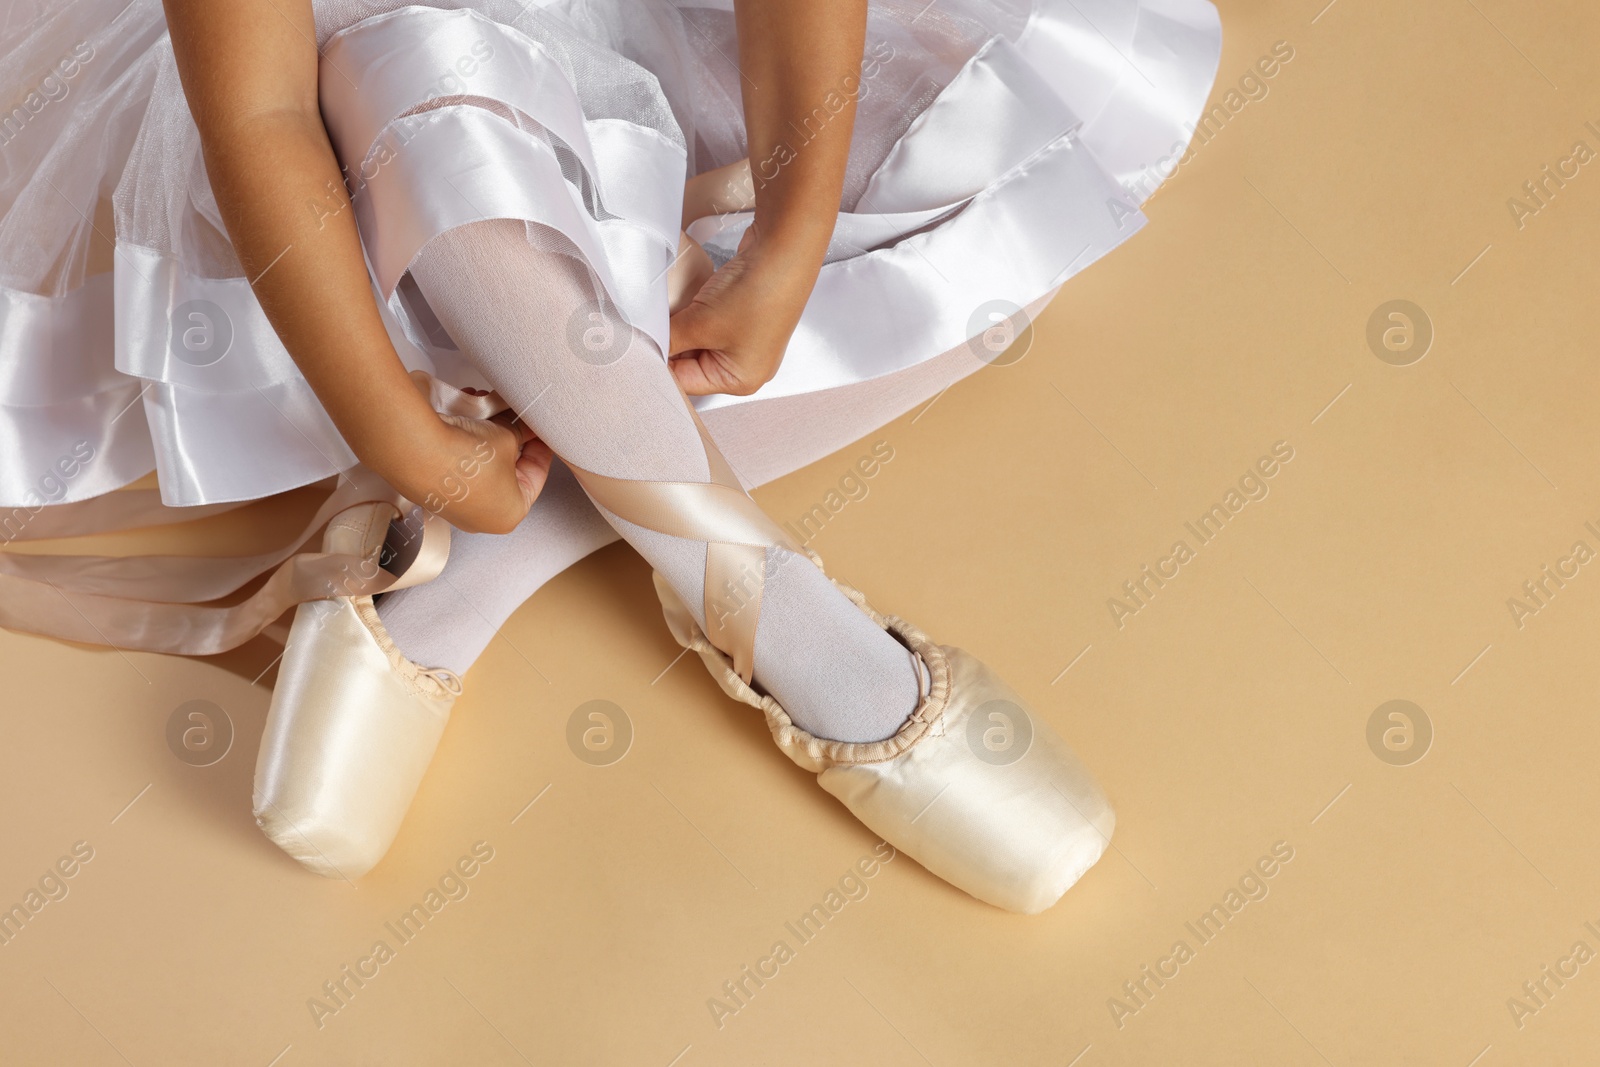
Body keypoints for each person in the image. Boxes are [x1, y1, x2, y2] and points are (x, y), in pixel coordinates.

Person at [0, 0, 1221, 912]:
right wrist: (396, 431)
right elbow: (260, 115)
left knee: (1008, 199)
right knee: (417, 65)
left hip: (675, 34)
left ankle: (451, 579)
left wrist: (790, 247)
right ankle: (782, 618)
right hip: (361, 139)